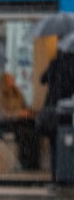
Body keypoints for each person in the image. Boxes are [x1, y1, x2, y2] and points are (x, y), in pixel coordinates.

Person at [39, 51, 74, 181]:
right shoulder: (70, 64)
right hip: (67, 110)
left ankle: (56, 176)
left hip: (54, 110)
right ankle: (66, 173)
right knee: (67, 142)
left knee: (55, 144)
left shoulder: (55, 62)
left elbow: (42, 79)